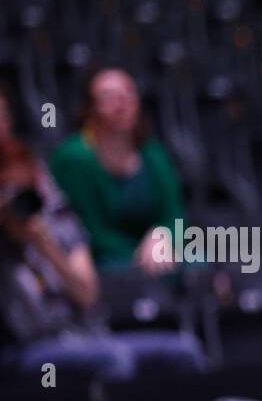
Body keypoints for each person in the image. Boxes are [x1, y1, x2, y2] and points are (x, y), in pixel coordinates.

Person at [0, 87, 206, 381]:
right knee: (113, 361)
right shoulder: (74, 159)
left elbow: (87, 294)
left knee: (184, 350)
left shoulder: (45, 202)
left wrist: (43, 244)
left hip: (82, 335)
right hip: (23, 348)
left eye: (4, 114)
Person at [48, 68, 186, 274]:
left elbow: (175, 215)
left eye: (128, 94)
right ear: (89, 108)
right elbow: (89, 231)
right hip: (103, 261)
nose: (121, 104)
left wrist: (164, 235)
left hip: (158, 255)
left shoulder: (153, 153)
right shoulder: (74, 158)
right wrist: (142, 254)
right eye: (109, 97)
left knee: (204, 269)